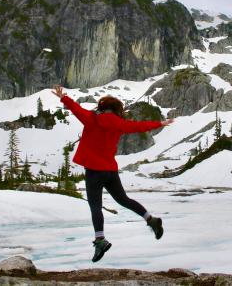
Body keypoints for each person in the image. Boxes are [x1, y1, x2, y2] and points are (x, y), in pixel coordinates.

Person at [52, 85, 174, 262]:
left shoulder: (91, 119)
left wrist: (64, 98)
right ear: (116, 110)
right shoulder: (119, 123)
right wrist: (159, 123)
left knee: (95, 206)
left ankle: (100, 240)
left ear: (102, 108)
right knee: (123, 199)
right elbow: (138, 127)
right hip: (110, 170)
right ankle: (151, 219)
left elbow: (76, 109)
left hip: (94, 171)